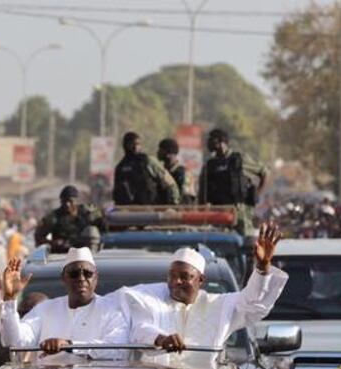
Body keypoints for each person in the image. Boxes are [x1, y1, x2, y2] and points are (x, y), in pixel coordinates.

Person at [123, 223, 287, 354]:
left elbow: (253, 304)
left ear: (200, 280)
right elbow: (140, 330)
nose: (176, 281)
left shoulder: (220, 306)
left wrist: (263, 267)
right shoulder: (153, 299)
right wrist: (161, 339)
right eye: (172, 275)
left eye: (184, 276)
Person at [0, 248, 129, 356]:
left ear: (96, 277)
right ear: (63, 278)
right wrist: (10, 298)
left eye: (88, 273)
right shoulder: (45, 309)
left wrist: (70, 345)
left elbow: (116, 350)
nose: (81, 278)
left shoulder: (112, 310)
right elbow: (13, 340)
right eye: (74, 274)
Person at [196, 128, 267, 238]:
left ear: (221, 142)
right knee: (220, 243)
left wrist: (257, 194)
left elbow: (263, 172)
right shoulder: (210, 165)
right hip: (219, 213)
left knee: (245, 242)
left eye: (212, 140)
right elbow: (202, 193)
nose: (209, 143)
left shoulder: (240, 160)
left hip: (240, 213)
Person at [113, 132, 180, 206]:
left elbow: (170, 184)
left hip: (148, 209)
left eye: (138, 144)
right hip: (128, 210)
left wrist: (174, 204)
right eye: (131, 144)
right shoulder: (120, 167)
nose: (135, 147)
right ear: (125, 145)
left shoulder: (148, 161)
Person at [34, 186, 102, 254]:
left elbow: (103, 227)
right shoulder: (54, 217)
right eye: (64, 201)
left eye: (70, 201)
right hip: (63, 254)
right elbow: (38, 237)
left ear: (76, 200)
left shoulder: (87, 213)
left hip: (87, 253)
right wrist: (53, 243)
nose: (67, 204)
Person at [158, 138, 194, 203]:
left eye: (161, 150)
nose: (158, 152)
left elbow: (188, 197)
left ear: (169, 153)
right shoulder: (161, 171)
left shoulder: (185, 173)